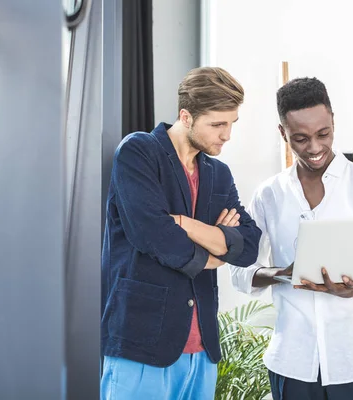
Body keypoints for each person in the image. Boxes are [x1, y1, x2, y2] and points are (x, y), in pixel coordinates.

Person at [229, 77, 353, 400]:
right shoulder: (269, 196)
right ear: (283, 133)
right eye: (300, 138)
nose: (314, 147)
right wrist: (282, 273)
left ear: (333, 120)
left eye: (323, 134)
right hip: (294, 365)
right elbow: (239, 272)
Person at [101, 67, 262, 400]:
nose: (227, 135)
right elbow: (156, 237)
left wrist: (187, 225)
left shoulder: (218, 173)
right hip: (141, 343)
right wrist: (218, 245)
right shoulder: (139, 152)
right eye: (217, 124)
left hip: (202, 350)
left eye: (232, 123)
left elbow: (247, 246)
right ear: (186, 116)